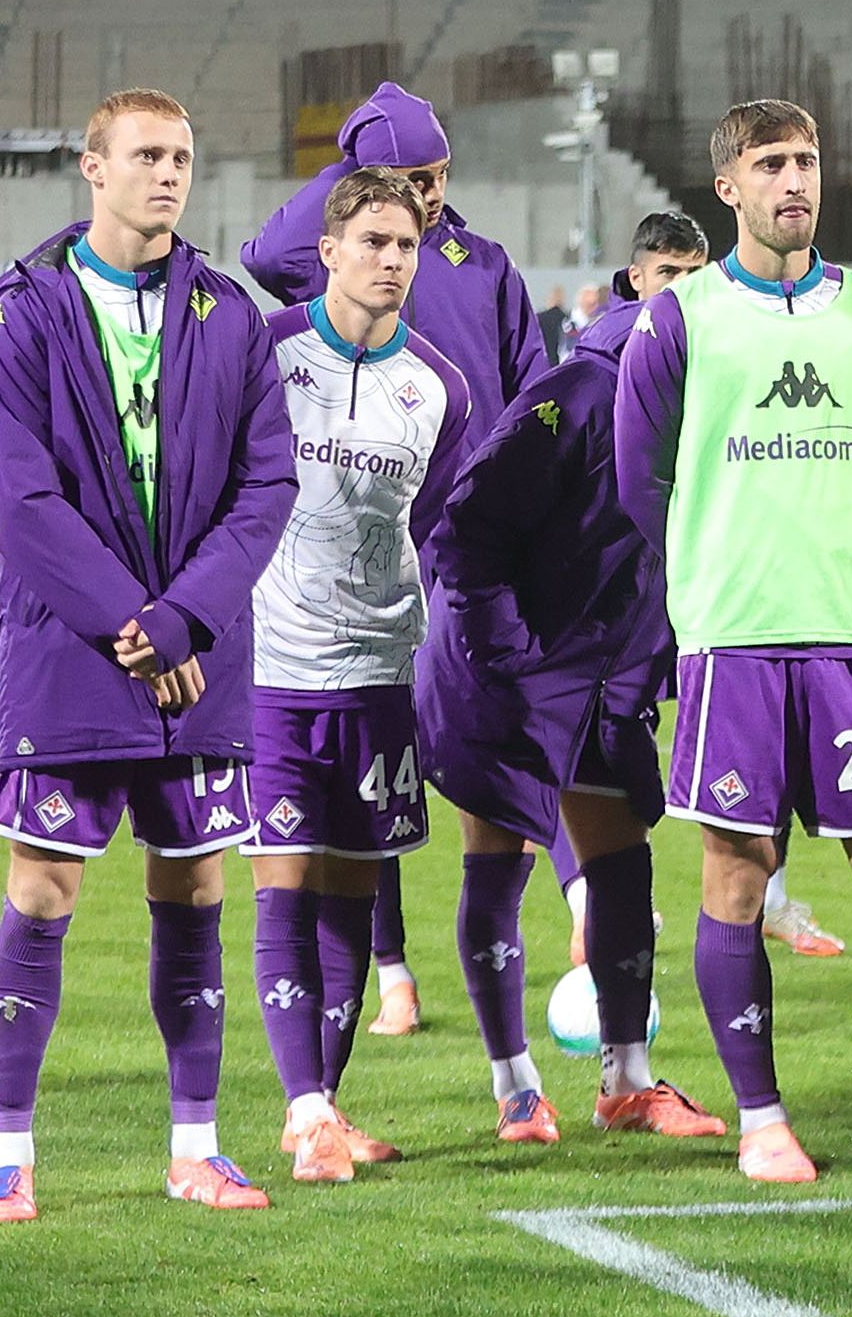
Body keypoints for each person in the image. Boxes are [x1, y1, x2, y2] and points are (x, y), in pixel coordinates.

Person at [0, 88, 299, 1221]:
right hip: (74, 653)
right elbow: (19, 500)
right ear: (92, 167)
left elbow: (268, 485)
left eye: (183, 157)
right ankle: (9, 1150)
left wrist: (183, 619)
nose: (169, 173)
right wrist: (136, 623)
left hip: (194, 653)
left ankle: (196, 1145)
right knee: (44, 885)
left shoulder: (230, 314)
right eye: (147, 154)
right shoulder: (21, 314)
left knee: (198, 883)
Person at [613, 100, 852, 1186]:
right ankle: (762, 1120)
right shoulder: (683, 319)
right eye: (770, 164)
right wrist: (709, 575)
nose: (794, 180)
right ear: (730, 189)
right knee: (738, 873)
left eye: (806, 161)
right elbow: (639, 479)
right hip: (738, 639)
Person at [244, 81, 550, 1038]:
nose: (423, 204)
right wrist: (360, 174)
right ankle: (389, 967)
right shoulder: (312, 286)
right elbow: (267, 252)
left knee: (446, 770)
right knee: (324, 820)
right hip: (304, 602)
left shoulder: (479, 262)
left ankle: (555, 947)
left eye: (439, 181)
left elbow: (530, 389)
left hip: (448, 549)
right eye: (410, 183)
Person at [417, 208, 728, 1149]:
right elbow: (465, 530)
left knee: (622, 862)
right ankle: (515, 1089)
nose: (683, 297)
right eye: (667, 277)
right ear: (637, 286)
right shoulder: (581, 393)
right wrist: (501, 655)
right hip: (506, 663)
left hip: (608, 671)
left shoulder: (709, 395)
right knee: (499, 861)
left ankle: (627, 1080)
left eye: (695, 279)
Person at [241, 170, 473, 1183]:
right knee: (282, 890)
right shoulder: (263, 355)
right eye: (373, 239)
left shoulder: (439, 385)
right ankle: (303, 1108)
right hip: (269, 671)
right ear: (328, 248)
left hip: (381, 676)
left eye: (407, 244)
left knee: (349, 895)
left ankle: (324, 1105)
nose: (391, 259)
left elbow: (439, 528)